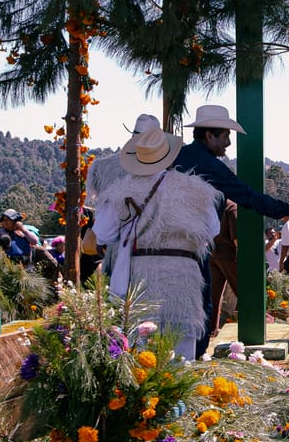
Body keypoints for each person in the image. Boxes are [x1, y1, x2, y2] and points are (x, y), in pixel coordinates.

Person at [174, 103, 289, 336]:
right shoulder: (210, 165)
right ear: (209, 135)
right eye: (225, 136)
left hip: (169, 248)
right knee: (200, 309)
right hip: (194, 248)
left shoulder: (178, 157)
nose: (229, 143)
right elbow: (250, 197)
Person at [90, 115, 223, 357]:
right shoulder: (196, 188)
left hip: (141, 275)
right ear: (169, 154)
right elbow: (213, 230)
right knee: (182, 356)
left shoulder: (120, 191)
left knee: (141, 356)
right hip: (184, 276)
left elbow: (103, 234)